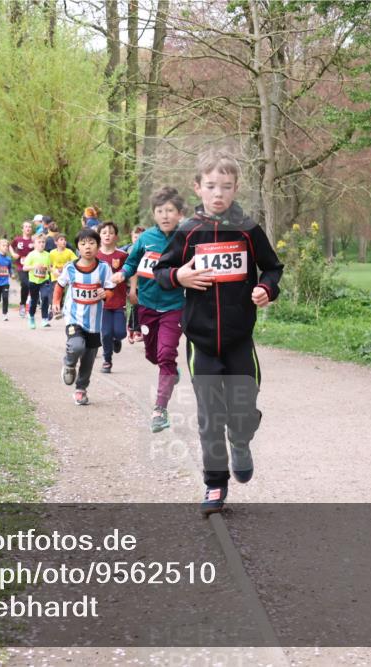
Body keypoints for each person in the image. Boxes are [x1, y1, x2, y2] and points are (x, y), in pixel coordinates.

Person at [153, 150, 284, 515]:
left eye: (226, 187)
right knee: (210, 415)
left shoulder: (248, 229)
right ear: (198, 187)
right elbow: (163, 273)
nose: (218, 194)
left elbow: (272, 268)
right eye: (211, 186)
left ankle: (241, 439)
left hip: (240, 339)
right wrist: (179, 275)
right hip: (201, 341)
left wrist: (265, 289)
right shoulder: (186, 231)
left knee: (241, 411)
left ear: (236, 187)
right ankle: (214, 484)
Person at [114, 187, 185, 432]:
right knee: (153, 355)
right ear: (154, 214)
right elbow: (132, 262)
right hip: (146, 305)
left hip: (174, 306)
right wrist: (122, 274)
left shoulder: (186, 239)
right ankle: (170, 371)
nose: (165, 216)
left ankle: (159, 410)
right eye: (160, 211)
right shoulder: (146, 239)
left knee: (166, 354)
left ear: (179, 214)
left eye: (170, 211)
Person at [52, 227, 116, 406]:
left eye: (91, 243)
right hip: (73, 316)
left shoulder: (104, 268)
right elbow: (60, 284)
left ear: (98, 246)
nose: (87, 247)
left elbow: (111, 289)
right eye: (83, 243)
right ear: (77, 248)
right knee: (76, 345)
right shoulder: (70, 268)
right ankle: (69, 363)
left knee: (89, 357)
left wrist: (106, 294)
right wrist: (56, 301)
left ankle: (81, 389)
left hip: (95, 322)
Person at [96, 221, 128, 373]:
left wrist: (133, 290)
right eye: (104, 232)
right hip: (101, 301)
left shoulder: (122, 255)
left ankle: (117, 340)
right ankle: (107, 360)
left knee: (120, 332)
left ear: (116, 236)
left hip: (119, 299)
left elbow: (132, 273)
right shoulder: (95, 255)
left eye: (110, 232)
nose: (107, 235)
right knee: (106, 333)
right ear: (99, 235)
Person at [22, 233, 53, 329]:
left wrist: (49, 269)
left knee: (45, 297)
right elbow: (24, 268)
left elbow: (50, 268)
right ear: (34, 244)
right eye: (39, 242)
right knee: (34, 300)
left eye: (43, 242)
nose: (42, 244)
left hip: (44, 280)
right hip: (34, 281)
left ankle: (44, 319)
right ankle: (31, 316)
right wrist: (34, 266)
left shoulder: (48, 255)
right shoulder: (31, 255)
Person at [123, 225, 145, 343]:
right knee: (136, 305)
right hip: (132, 284)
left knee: (142, 306)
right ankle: (134, 329)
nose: (137, 239)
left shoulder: (148, 249)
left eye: (140, 237)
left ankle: (137, 328)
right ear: (131, 237)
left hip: (144, 284)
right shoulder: (130, 250)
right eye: (135, 237)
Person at [48, 233, 78, 318]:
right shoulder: (52, 253)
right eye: (61, 240)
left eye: (65, 240)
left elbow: (76, 260)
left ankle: (58, 308)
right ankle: (53, 307)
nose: (64, 241)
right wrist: (54, 271)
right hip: (55, 276)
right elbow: (49, 266)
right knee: (55, 291)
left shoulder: (69, 252)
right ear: (56, 242)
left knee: (63, 293)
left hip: (66, 277)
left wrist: (68, 263)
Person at [11, 221, 34, 318]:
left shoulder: (34, 241)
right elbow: (11, 246)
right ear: (22, 229)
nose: (28, 228)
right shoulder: (17, 239)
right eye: (26, 227)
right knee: (25, 284)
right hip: (21, 266)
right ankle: (23, 304)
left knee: (32, 286)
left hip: (32, 266)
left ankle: (30, 306)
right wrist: (13, 254)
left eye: (29, 227)